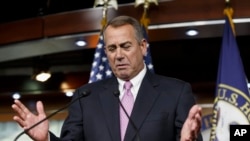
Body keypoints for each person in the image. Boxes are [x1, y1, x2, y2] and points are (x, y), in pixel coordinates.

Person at [12, 15, 203, 141]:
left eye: (126, 46)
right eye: (112, 49)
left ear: (143, 47)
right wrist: (46, 139)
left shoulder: (176, 93)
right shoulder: (85, 97)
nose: (118, 55)